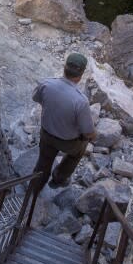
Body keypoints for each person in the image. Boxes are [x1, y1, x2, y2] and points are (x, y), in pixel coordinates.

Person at [31, 53, 96, 191]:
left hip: (46, 134)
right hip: (68, 142)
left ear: (64, 67)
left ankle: (35, 188)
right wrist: (93, 136)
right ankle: (59, 178)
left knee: (43, 162)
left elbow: (36, 98)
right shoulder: (81, 101)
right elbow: (88, 132)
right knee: (80, 149)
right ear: (81, 75)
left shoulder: (46, 84)